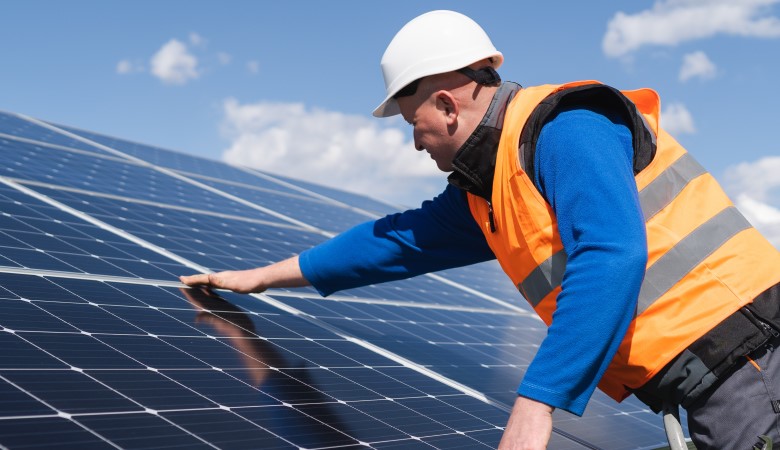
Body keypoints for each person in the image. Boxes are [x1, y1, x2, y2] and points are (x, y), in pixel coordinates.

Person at [181, 10, 780, 450]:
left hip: (753, 366)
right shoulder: (487, 190)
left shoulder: (566, 129)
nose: (414, 141)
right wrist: (262, 278)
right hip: (713, 385)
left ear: (445, 104)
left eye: (412, 123)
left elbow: (613, 253)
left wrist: (537, 403)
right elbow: (390, 243)